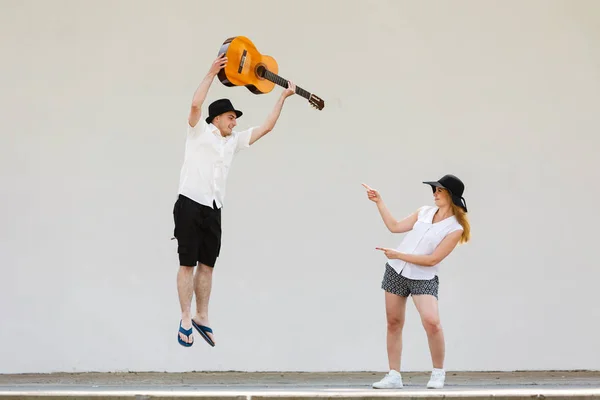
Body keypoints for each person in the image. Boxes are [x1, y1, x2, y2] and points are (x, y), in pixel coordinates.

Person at [174, 53, 296, 348]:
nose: (234, 121)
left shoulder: (233, 142)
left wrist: (284, 96)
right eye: (231, 117)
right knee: (187, 263)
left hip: (214, 209)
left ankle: (203, 315)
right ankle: (186, 317)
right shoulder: (199, 133)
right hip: (190, 203)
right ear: (217, 118)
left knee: (208, 265)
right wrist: (209, 74)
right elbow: (194, 105)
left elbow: (266, 127)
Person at [362, 174, 471, 389]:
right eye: (434, 190)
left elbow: (432, 260)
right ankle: (394, 375)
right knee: (394, 323)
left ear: (451, 195)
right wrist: (379, 202)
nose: (435, 194)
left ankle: (438, 373)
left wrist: (399, 255)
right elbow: (394, 226)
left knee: (432, 322)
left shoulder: (455, 228)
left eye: (440, 190)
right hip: (396, 272)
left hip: (422, 277)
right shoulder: (424, 212)